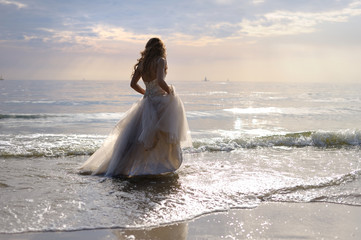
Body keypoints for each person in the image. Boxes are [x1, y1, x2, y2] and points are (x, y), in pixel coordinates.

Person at [79, 38, 192, 177]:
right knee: (161, 135)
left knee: (136, 139)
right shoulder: (160, 61)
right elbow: (161, 82)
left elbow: (133, 84)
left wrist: (146, 93)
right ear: (160, 48)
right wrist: (170, 91)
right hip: (158, 103)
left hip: (146, 103)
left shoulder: (142, 64)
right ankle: (156, 165)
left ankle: (122, 166)